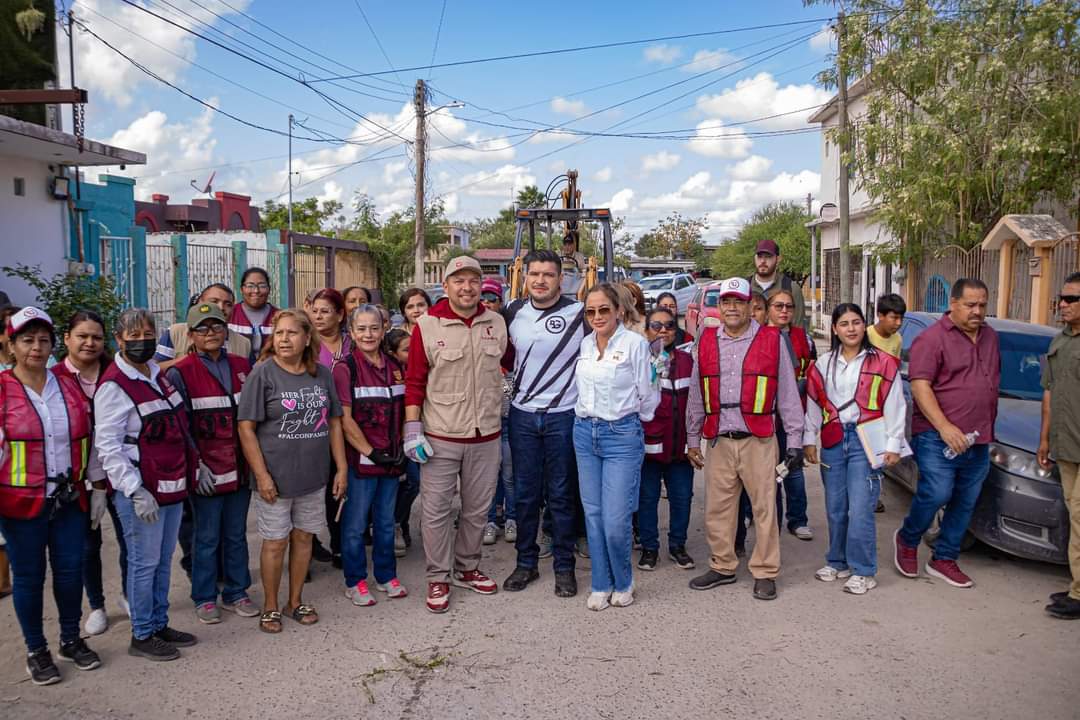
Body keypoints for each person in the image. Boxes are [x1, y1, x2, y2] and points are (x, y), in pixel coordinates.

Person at [685, 277, 804, 601]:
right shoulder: (707, 340)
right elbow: (697, 393)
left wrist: (795, 440)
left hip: (759, 439)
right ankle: (723, 566)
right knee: (718, 509)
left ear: (751, 306)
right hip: (720, 440)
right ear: (719, 306)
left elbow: (788, 394)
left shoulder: (771, 339)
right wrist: (692, 439)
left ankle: (765, 571)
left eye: (739, 301)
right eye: (727, 302)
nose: (733, 307)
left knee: (765, 508)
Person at [0, 307, 101, 684]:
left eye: (44, 340)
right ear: (10, 345)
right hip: (20, 506)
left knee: (70, 572)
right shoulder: (2, 390)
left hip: (69, 499)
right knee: (28, 578)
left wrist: (97, 486)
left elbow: (88, 438)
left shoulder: (67, 385)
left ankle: (71, 639)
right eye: (27, 340)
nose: (37, 348)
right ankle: (36, 649)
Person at [403, 255, 506, 613]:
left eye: (473, 281)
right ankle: (437, 577)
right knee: (435, 510)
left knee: (477, 510)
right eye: (458, 281)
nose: (467, 287)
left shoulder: (495, 322)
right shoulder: (427, 326)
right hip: (441, 435)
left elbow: (508, 364)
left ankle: (467, 567)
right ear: (445, 286)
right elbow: (414, 381)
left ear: (481, 286)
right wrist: (412, 429)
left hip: (487, 435)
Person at [95, 308, 198, 662]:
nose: (142, 341)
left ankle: (158, 622)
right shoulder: (113, 386)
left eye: (148, 333)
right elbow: (108, 447)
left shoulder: (156, 373)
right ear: (119, 340)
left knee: (163, 560)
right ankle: (141, 634)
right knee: (143, 562)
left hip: (171, 485)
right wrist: (134, 489)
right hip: (143, 492)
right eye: (133, 336)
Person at [238, 310, 347, 633]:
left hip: (313, 476)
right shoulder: (263, 374)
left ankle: (294, 600)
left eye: (291, 333)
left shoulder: (322, 374)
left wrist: (341, 468)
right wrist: (262, 475)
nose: (284, 339)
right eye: (279, 333)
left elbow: (335, 423)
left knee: (304, 538)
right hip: (275, 477)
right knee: (275, 542)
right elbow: (246, 428)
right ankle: (270, 606)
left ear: (306, 338)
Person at [894, 278, 999, 589]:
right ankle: (908, 538)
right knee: (936, 493)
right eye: (970, 305)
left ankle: (944, 559)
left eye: (982, 305)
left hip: (978, 438)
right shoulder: (932, 339)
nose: (977, 311)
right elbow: (920, 386)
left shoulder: (991, 337)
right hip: (937, 436)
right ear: (952, 304)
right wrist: (945, 426)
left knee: (966, 501)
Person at [501, 250, 588, 598]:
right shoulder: (512, 311)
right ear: (526, 277)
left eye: (548, 275)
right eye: (534, 274)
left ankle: (564, 568)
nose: (540, 280)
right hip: (521, 415)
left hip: (563, 416)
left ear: (561, 278)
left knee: (562, 495)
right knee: (524, 495)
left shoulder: (580, 313)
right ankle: (526, 563)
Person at [166, 303, 258, 624]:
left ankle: (236, 591)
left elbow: (251, 418)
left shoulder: (241, 365)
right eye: (203, 328)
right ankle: (205, 597)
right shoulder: (181, 372)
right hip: (207, 471)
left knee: (235, 534)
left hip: (240, 469)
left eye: (217, 327)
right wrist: (196, 466)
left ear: (226, 331)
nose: (211, 333)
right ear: (190, 335)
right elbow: (181, 425)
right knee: (205, 538)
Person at [804, 304, 904, 595]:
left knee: (860, 508)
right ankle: (837, 561)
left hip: (866, 441)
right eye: (844, 323)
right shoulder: (823, 364)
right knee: (836, 508)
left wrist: (894, 444)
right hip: (834, 440)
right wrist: (809, 439)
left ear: (865, 326)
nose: (851, 328)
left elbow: (896, 405)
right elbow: (813, 404)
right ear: (834, 329)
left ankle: (864, 570)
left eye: (856, 322)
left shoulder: (884, 362)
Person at [573, 283, 658, 611]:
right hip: (583, 432)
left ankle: (623, 580)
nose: (596, 316)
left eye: (603, 310)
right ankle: (600, 582)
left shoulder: (636, 344)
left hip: (621, 435)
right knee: (593, 514)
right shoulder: (584, 344)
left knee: (615, 518)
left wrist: (632, 420)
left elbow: (648, 391)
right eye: (590, 311)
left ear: (619, 310)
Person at [53, 310, 128, 636]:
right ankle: (97, 605)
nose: (89, 342)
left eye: (96, 337)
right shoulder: (54, 377)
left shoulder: (116, 373)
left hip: (120, 473)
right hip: (78, 478)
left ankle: (128, 595)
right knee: (87, 545)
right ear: (67, 338)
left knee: (130, 540)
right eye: (82, 336)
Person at [333, 305, 408, 607]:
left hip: (392, 459)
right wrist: (370, 452)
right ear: (351, 332)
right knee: (354, 525)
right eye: (361, 328)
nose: (368, 334)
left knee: (386, 522)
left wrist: (401, 447)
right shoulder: (345, 368)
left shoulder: (394, 365)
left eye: (374, 328)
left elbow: (403, 409)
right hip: (361, 463)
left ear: (383, 329)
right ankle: (355, 581)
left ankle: (386, 575)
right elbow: (344, 420)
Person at [637, 306, 698, 572]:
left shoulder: (688, 362)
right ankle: (649, 548)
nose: (663, 331)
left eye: (669, 326)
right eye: (656, 326)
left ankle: (678, 546)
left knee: (682, 497)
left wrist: (694, 442)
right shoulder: (639, 362)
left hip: (680, 448)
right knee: (647, 499)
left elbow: (695, 404)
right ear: (646, 330)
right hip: (649, 448)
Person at [1037, 272, 1080, 619]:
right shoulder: (1060, 342)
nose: (1062, 305)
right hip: (1066, 447)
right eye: (1061, 299)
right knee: (1074, 514)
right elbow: (1048, 393)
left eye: (1071, 300)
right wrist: (1044, 439)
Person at [308, 288, 351, 566]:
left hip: (349, 425)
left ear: (340, 314)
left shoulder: (353, 342)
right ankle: (308, 547)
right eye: (315, 311)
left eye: (325, 311)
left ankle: (339, 544)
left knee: (339, 488)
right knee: (311, 492)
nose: (319, 316)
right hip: (313, 429)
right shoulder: (306, 345)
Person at [769, 289, 816, 540]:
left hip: (793, 413)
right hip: (765, 417)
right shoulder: (760, 336)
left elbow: (811, 371)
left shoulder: (803, 338)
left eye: (788, 306)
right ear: (768, 309)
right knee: (767, 471)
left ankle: (797, 519)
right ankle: (760, 516)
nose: (784, 311)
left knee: (793, 469)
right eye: (778, 306)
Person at [479, 278, 517, 548]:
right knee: (489, 476)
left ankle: (512, 517)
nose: (487, 303)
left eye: (492, 299)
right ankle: (490, 520)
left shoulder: (510, 332)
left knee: (510, 473)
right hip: (485, 419)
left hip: (510, 418)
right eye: (483, 298)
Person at [155, 283, 251, 370]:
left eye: (228, 304)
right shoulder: (175, 333)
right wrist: (190, 361)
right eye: (214, 301)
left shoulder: (244, 344)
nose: (221, 307)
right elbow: (155, 370)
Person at [384, 328, 415, 557]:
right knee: (393, 484)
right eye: (406, 350)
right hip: (390, 440)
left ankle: (398, 521)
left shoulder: (420, 367)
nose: (412, 353)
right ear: (392, 353)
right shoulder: (387, 371)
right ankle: (392, 527)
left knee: (415, 482)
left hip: (414, 435)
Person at [748, 239, 808, 331]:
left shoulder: (791, 288)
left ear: (778, 259)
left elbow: (798, 329)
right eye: (759, 256)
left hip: (781, 343)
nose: (763, 261)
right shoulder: (744, 287)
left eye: (768, 257)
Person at [228, 267, 278, 363]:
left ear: (269, 289)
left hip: (271, 373)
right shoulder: (230, 314)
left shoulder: (279, 316)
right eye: (250, 286)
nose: (256, 290)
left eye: (262, 285)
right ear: (242, 289)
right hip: (236, 371)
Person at [868, 293, 906, 358]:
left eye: (901, 318)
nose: (899, 323)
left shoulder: (897, 338)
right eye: (894, 318)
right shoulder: (866, 336)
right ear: (880, 316)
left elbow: (894, 365)